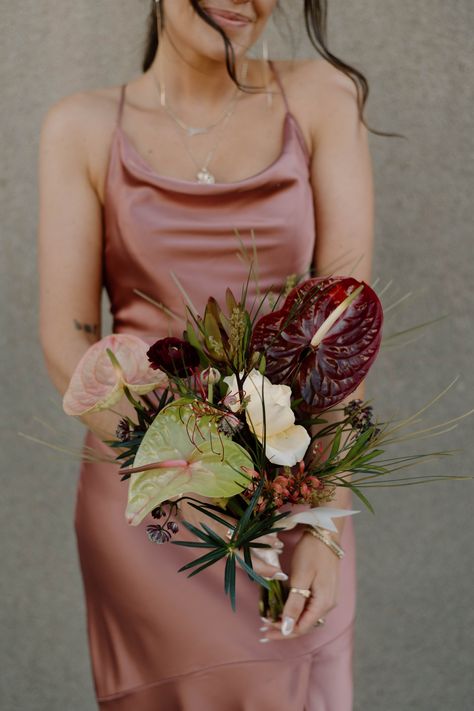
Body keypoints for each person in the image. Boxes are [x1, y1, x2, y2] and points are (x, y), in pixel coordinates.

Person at [38, 1, 374, 708]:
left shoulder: (318, 100)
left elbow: (346, 330)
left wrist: (326, 525)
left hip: (293, 496)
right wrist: (177, 461)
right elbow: (66, 342)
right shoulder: (83, 128)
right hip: (150, 508)